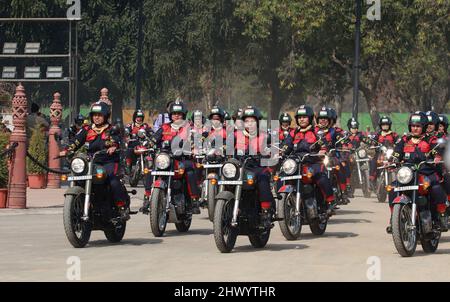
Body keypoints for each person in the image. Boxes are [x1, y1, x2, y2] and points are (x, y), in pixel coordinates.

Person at [59, 102, 128, 209]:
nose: (96, 117)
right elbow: (76, 141)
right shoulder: (87, 129)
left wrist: (113, 147)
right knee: (78, 178)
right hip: (91, 161)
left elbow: (116, 141)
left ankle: (121, 205)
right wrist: (67, 149)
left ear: (105, 116)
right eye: (94, 115)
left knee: (112, 179)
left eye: (99, 115)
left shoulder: (111, 129)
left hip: (108, 161)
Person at [387, 112, 447, 233]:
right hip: (408, 174)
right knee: (393, 188)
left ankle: (440, 217)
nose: (415, 128)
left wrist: (437, 157)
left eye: (418, 126)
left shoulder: (431, 139)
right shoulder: (404, 140)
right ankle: (394, 219)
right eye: (413, 126)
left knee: (436, 187)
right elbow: (397, 152)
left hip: (426, 173)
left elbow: (437, 150)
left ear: (423, 127)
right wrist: (393, 160)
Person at [150, 100, 202, 214]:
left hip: (182, 158)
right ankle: (148, 198)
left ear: (183, 115)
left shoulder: (188, 127)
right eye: (174, 113)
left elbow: (196, 139)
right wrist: (148, 144)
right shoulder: (164, 127)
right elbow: (154, 138)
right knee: (150, 169)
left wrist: (195, 148)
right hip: (166, 158)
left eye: (179, 113)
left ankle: (194, 201)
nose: (176, 115)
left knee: (189, 171)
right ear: (170, 115)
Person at [289, 105, 336, 214]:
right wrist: (279, 152)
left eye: (304, 117)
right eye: (300, 117)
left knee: (321, 177)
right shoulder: (294, 132)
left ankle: (330, 201)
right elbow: (286, 145)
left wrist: (323, 150)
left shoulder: (317, 132)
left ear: (310, 118)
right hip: (296, 164)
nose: (301, 119)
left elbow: (324, 143)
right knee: (280, 178)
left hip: (312, 162)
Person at [235, 106, 274, 228]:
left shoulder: (264, 136)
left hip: (258, 166)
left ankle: (266, 212)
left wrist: (267, 153)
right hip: (241, 167)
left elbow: (271, 149)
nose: (249, 124)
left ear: (257, 122)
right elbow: (226, 148)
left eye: (252, 121)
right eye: (247, 121)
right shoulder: (237, 135)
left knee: (262, 177)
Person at [368, 115, 398, 191]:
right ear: (381, 126)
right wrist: (372, 144)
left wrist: (398, 144)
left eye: (386, 124)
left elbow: (399, 141)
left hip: (390, 155)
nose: (385, 126)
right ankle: (372, 180)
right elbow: (372, 142)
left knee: (399, 162)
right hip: (380, 154)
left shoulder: (393, 134)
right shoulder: (378, 134)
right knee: (373, 161)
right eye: (383, 125)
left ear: (389, 125)